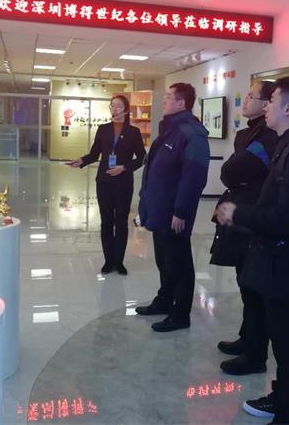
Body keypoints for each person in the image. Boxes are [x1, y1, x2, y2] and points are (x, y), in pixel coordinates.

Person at [216, 76, 289, 424]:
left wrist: (239, 214)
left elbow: (286, 219)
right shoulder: (287, 147)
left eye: (272, 100)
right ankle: (283, 397)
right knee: (282, 339)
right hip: (278, 263)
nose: (266, 106)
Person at [210, 81, 278, 376]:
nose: (246, 99)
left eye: (252, 95)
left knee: (254, 288)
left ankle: (255, 354)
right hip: (245, 215)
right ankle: (247, 337)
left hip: (255, 219)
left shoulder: (267, 137)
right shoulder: (249, 133)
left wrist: (234, 172)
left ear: (268, 104)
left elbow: (232, 171)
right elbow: (234, 170)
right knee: (245, 282)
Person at [135, 83, 210, 333]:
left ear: (181, 103)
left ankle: (180, 314)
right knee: (164, 261)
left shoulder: (192, 134)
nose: (164, 100)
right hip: (159, 210)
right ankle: (164, 300)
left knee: (179, 263)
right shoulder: (169, 130)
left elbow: (194, 177)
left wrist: (181, 211)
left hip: (173, 213)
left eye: (168, 97)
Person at [69, 95, 146, 275]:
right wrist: (81, 161)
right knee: (106, 222)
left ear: (126, 110)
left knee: (121, 222)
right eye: (112, 105)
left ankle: (119, 261)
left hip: (123, 182)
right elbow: (94, 154)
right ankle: (108, 260)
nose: (114, 108)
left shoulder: (133, 132)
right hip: (104, 182)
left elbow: (142, 157)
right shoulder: (103, 129)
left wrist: (124, 167)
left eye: (118, 106)